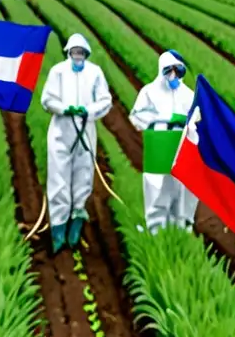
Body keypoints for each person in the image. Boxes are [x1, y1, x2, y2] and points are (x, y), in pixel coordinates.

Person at [40, 33, 112, 253]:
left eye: (81, 52)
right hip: (61, 131)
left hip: (85, 130)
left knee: (83, 174)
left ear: (86, 53)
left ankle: (77, 216)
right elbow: (47, 99)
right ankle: (58, 228)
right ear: (69, 52)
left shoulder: (95, 73)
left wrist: (87, 111)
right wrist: (64, 109)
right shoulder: (58, 72)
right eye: (74, 52)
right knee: (58, 177)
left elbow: (105, 100)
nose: (78, 56)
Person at [129, 50, 198, 234]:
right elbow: (136, 117)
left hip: (180, 145)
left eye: (177, 71)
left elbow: (198, 119)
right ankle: (155, 230)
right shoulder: (149, 92)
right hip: (158, 146)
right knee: (156, 187)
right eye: (169, 71)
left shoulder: (188, 95)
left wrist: (184, 121)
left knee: (182, 191)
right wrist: (162, 118)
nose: (173, 75)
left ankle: (182, 230)